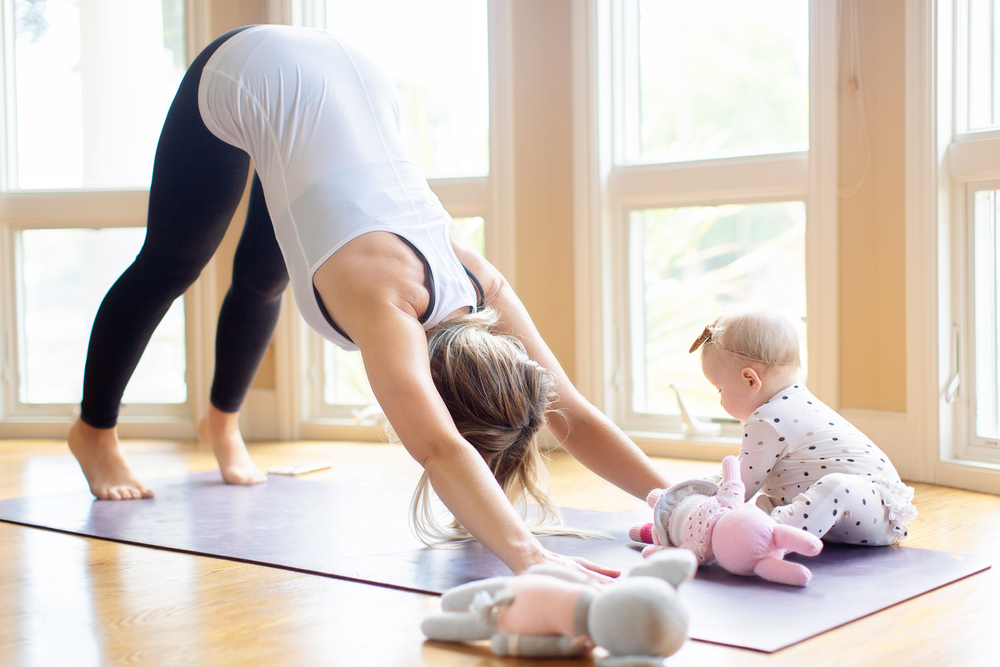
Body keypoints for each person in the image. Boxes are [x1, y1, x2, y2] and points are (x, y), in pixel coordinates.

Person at [68, 24, 671, 577]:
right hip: (250, 68)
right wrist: (530, 557)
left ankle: (220, 423)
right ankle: (94, 433)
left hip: (353, 78)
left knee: (260, 277)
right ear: (432, 396)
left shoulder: (482, 285)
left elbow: (576, 418)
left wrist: (680, 504)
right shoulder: (388, 306)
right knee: (172, 261)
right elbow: (439, 447)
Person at [690, 308, 917, 545]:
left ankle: (766, 539)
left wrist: (697, 512)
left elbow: (739, 488)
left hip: (874, 505)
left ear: (751, 380)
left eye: (720, 389)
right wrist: (694, 491)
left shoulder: (767, 419)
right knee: (765, 505)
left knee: (836, 486)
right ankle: (765, 530)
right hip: (863, 512)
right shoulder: (791, 402)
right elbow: (737, 471)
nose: (720, 399)